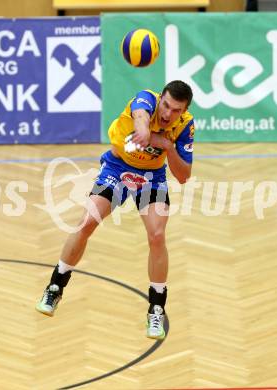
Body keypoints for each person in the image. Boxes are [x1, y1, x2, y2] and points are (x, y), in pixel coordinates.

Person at [36, 80, 195, 340]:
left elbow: (184, 176)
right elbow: (141, 116)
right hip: (117, 169)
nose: (167, 114)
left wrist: (166, 146)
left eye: (176, 110)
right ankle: (55, 286)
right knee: (86, 222)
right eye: (166, 105)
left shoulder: (186, 126)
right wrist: (143, 130)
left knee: (157, 236)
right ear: (161, 99)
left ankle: (156, 308)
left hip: (152, 176)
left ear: (185, 110)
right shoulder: (146, 100)